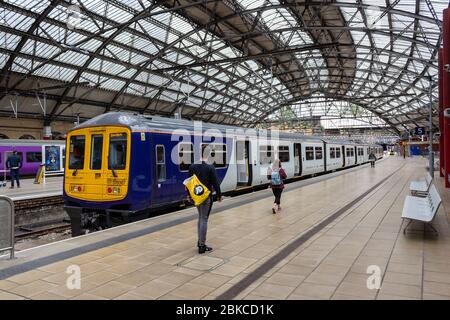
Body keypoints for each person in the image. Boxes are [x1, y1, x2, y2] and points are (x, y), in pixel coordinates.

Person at [188, 144, 222, 254]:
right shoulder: (210, 167)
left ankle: (199, 242)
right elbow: (215, 183)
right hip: (206, 197)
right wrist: (219, 195)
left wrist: (188, 195)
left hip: (197, 197)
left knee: (200, 217)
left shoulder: (192, 166)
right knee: (204, 219)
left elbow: (189, 182)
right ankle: (201, 245)